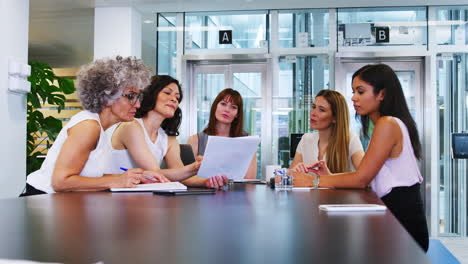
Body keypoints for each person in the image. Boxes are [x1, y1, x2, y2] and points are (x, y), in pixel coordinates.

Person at [295, 64, 429, 252]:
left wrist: (313, 180)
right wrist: (330, 176)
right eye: (353, 92)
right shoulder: (385, 124)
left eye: (360, 91)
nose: (354, 97)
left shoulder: (387, 124)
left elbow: (361, 178)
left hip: (403, 227)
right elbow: (366, 177)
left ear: (381, 94)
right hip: (394, 222)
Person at [24, 56, 169, 196]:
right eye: (131, 96)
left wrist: (136, 177)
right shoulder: (88, 126)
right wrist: (117, 180)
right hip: (40, 199)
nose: (137, 104)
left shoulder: (100, 129)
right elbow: (60, 182)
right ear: (107, 96)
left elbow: (89, 176)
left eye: (138, 97)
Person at [108, 75, 228, 188]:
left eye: (177, 97)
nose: (174, 100)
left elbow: (181, 176)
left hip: (142, 196)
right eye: (167, 93)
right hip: (116, 197)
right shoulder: (130, 126)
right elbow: (155, 173)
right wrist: (195, 167)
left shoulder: (169, 139)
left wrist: (207, 181)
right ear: (152, 94)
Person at [188, 88, 257, 179]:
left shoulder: (248, 140)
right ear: (215, 106)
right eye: (223, 104)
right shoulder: (195, 140)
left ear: (237, 114)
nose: (227, 110)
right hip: (205, 191)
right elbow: (187, 178)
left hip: (238, 192)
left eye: (233, 107)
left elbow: (250, 180)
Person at [289, 89, 364, 173]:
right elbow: (288, 176)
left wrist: (329, 178)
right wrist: (294, 172)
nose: (313, 113)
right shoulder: (306, 140)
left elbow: (364, 178)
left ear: (335, 118)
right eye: (314, 107)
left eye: (321, 110)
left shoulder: (350, 139)